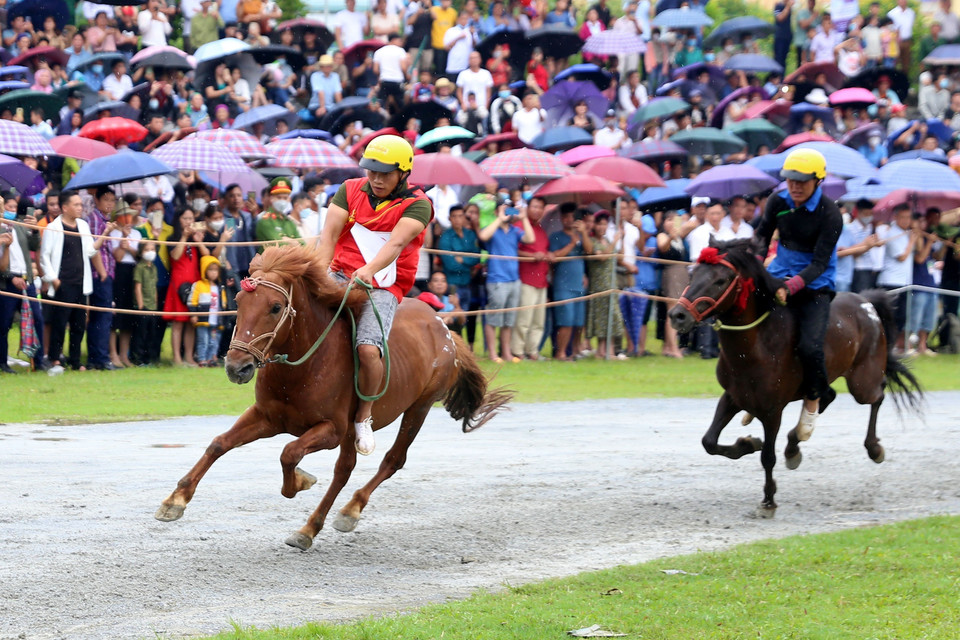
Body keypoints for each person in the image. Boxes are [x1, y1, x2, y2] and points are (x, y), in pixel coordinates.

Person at [318, 135, 434, 456]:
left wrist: (369, 270)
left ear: (404, 173)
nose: (377, 179)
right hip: (340, 273)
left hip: (383, 284)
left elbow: (395, 245)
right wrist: (316, 274)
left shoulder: (419, 204)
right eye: (372, 171)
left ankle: (364, 417)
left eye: (385, 173)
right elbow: (328, 237)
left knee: (368, 350)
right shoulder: (349, 189)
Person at [754, 148, 843, 442]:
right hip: (778, 272)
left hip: (816, 284)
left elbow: (819, 264)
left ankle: (813, 400)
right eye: (790, 179)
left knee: (810, 348)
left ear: (818, 181)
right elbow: (761, 238)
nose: (795, 186)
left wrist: (791, 286)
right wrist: (753, 266)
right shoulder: (777, 201)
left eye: (802, 181)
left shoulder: (831, 214)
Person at [40, 190, 100, 372]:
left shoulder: (83, 226)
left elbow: (90, 251)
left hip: (81, 282)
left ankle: (75, 360)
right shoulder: (53, 228)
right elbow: (44, 257)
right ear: (64, 207)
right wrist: (54, 280)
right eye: (76, 204)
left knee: (79, 324)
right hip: (63, 282)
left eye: (80, 204)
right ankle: (55, 357)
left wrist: (107, 233)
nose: (80, 208)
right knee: (60, 322)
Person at [478, 195, 536, 363]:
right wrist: (499, 218)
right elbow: (483, 236)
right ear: (497, 211)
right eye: (504, 208)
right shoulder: (492, 227)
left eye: (510, 209)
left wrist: (524, 219)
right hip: (497, 279)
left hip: (513, 279)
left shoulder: (514, 230)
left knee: (509, 319)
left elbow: (530, 239)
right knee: (493, 318)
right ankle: (492, 354)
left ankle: (506, 353)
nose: (508, 213)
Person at [0, 196, 45, 372]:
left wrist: (34, 230)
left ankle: (39, 361)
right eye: (6, 207)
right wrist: (11, 277)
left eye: (12, 207)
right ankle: (2, 362)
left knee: (37, 318)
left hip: (27, 279)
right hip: (7, 282)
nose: (10, 210)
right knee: (4, 324)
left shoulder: (18, 225)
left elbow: (33, 246)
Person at [164, 207, 208, 367]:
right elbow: (175, 256)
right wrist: (184, 236)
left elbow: (207, 256)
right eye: (185, 219)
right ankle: (176, 357)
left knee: (191, 321)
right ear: (178, 220)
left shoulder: (195, 240)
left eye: (191, 219)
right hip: (178, 283)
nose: (189, 222)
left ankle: (189, 357)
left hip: (195, 283)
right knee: (178, 321)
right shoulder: (172, 238)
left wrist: (198, 241)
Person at [550, 206, 594, 361]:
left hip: (579, 285)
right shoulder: (556, 236)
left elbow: (589, 251)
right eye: (566, 216)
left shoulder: (581, 236)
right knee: (565, 321)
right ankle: (561, 353)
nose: (569, 220)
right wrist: (572, 244)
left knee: (578, 322)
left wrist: (583, 233)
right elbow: (555, 256)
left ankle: (574, 351)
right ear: (561, 218)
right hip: (563, 285)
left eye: (572, 217)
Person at [877, 204, 919, 352]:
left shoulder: (907, 233)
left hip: (905, 281)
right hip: (891, 281)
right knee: (890, 317)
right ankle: (885, 346)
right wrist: (912, 241)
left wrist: (914, 236)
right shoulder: (892, 233)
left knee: (902, 316)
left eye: (908, 217)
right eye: (903, 217)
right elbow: (902, 256)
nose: (906, 220)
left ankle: (892, 345)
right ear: (895, 217)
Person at [189, 255, 226, 367]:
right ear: (204, 270)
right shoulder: (198, 285)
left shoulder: (220, 287)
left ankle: (211, 359)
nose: (214, 273)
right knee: (203, 340)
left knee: (214, 341)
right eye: (210, 270)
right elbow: (192, 301)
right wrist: (194, 314)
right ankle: (202, 359)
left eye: (216, 270)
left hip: (216, 320)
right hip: (203, 319)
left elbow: (223, 303)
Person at [132, 240, 159, 366]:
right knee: (140, 333)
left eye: (152, 249)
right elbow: (138, 286)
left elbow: (154, 287)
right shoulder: (139, 267)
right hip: (143, 306)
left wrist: (156, 302)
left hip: (153, 306)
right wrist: (141, 304)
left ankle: (148, 358)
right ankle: (138, 358)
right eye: (147, 250)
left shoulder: (154, 268)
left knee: (151, 333)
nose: (150, 252)